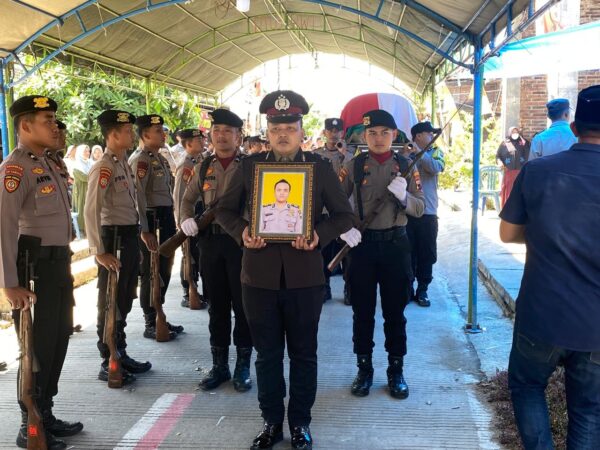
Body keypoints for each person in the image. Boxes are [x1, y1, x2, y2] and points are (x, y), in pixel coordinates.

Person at [215, 90, 354, 450]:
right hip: (258, 277)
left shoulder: (320, 170)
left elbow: (344, 215)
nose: (282, 134)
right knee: (267, 355)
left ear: (301, 130)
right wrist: (243, 232)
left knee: (304, 354)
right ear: (267, 130)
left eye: (289, 127)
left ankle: (301, 423)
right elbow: (223, 211)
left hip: (305, 277)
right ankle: (271, 421)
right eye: (275, 127)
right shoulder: (249, 167)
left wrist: (318, 236)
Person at [499, 85, 600, 450]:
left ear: (574, 127)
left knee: (527, 387)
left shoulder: (538, 170)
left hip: (542, 313)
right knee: (589, 409)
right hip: (594, 323)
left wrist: (547, 234)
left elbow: (507, 233)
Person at [0, 95, 83, 449]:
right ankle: (27, 424)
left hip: (58, 266)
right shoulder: (15, 169)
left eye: (54, 119)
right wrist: (9, 284)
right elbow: (2, 228)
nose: (54, 125)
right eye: (46, 119)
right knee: (36, 350)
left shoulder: (48, 162)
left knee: (58, 340)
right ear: (25, 125)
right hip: (34, 273)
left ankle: (45, 412)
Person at [339, 109, 425, 400]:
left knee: (395, 313)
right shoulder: (353, 165)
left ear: (394, 136)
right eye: (372, 133)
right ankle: (364, 369)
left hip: (395, 246)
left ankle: (396, 370)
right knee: (362, 311)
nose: (378, 138)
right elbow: (336, 203)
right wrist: (343, 229)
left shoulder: (406, 164)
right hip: (361, 247)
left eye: (384, 133)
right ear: (364, 136)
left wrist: (404, 197)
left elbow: (420, 207)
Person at [179, 109, 253, 393]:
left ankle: (242, 365)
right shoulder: (204, 165)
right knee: (217, 306)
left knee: (243, 306)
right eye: (217, 130)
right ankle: (219, 365)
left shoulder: (250, 165)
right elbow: (187, 199)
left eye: (228, 131)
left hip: (240, 243)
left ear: (239, 137)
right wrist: (185, 219)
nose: (221, 136)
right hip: (210, 243)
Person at [84, 109, 152, 386]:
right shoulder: (104, 166)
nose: (132, 134)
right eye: (127, 131)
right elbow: (91, 209)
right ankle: (107, 358)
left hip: (128, 236)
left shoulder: (123, 162)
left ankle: (120, 352)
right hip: (112, 238)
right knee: (110, 300)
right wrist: (98, 250)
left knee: (124, 297)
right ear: (113, 135)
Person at [128, 114, 183, 340]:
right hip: (152, 220)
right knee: (151, 272)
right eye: (158, 131)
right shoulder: (141, 160)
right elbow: (137, 196)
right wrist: (144, 229)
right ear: (145, 135)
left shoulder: (158, 157)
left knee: (164, 268)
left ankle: (160, 313)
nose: (163, 134)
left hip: (165, 217)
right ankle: (151, 320)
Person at [406, 121, 445, 307]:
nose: (432, 137)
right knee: (407, 253)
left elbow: (436, 168)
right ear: (419, 136)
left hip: (428, 212)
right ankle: (407, 289)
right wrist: (408, 154)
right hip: (406, 212)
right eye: (430, 133)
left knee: (426, 254)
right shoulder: (404, 153)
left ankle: (423, 290)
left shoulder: (435, 152)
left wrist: (420, 154)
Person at [313, 118, 350, 302]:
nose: (334, 134)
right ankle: (325, 287)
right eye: (330, 130)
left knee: (347, 254)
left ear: (342, 133)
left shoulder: (351, 156)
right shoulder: (316, 155)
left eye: (337, 131)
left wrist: (345, 155)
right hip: (324, 213)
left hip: (344, 213)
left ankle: (348, 289)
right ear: (325, 132)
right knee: (324, 253)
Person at [173, 128, 208, 309]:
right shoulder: (186, 164)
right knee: (189, 256)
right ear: (188, 144)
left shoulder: (200, 160)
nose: (202, 141)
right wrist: (181, 221)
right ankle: (188, 291)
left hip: (201, 212)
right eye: (198, 139)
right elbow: (180, 195)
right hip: (190, 214)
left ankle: (197, 289)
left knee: (198, 253)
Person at [496, 126, 530, 207]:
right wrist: (500, 163)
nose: (515, 134)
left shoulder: (523, 143)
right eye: (513, 132)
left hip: (520, 172)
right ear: (509, 133)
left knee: (519, 192)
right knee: (508, 192)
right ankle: (506, 210)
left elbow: (528, 154)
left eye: (516, 132)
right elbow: (498, 156)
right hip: (508, 172)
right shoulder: (504, 143)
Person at [72, 144, 92, 237]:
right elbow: (85, 178)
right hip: (81, 191)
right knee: (82, 209)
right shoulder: (77, 165)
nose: (88, 153)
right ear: (80, 153)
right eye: (85, 151)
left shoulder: (90, 163)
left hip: (90, 190)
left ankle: (90, 229)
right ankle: (82, 230)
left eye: (88, 151)